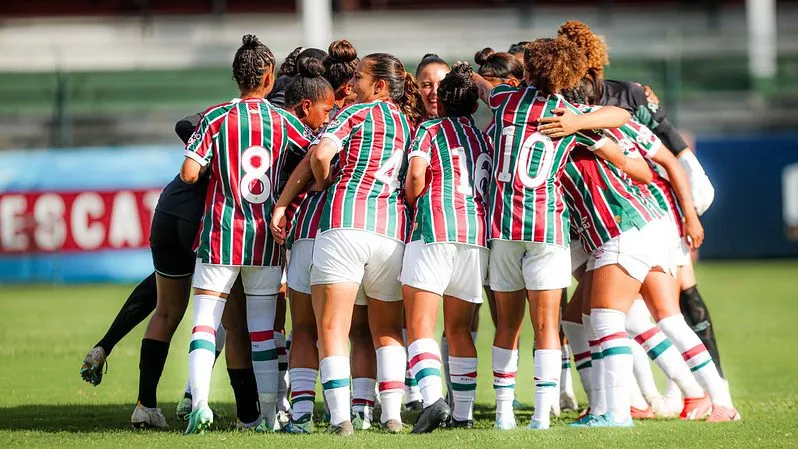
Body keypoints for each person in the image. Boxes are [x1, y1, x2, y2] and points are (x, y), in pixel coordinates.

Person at [471, 37, 636, 431]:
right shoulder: (568, 114)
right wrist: (579, 121)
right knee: (547, 327)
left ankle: (504, 414)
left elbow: (484, 89)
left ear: (527, 71)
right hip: (548, 229)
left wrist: (471, 72)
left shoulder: (506, 102)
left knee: (506, 328)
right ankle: (542, 416)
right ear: (569, 76)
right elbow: (621, 116)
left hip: (504, 228)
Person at [555, 21, 722, 378]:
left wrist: (689, 214)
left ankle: (705, 386)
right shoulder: (567, 103)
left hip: (657, 205)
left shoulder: (625, 96)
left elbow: (669, 154)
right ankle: (652, 394)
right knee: (622, 312)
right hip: (610, 215)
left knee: (674, 302)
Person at [279, 52, 422, 436]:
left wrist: (324, 182)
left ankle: (341, 419)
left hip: (344, 223)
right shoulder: (409, 124)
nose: (352, 84)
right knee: (387, 329)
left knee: (332, 327)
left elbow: (321, 154)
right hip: (391, 230)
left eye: (359, 77)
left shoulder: (354, 113)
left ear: (379, 86)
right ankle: (390, 414)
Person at [179, 34, 312, 434]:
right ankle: (270, 417)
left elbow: (189, 173)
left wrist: (212, 167)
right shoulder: (284, 120)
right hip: (265, 240)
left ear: (236, 76)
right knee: (261, 331)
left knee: (205, 322)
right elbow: (313, 157)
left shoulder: (216, 117)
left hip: (221, 235)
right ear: (269, 77)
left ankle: (199, 404)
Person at [401, 63, 492, 433]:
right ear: (473, 106)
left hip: (435, 226)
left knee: (420, 323)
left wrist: (412, 197)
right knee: (458, 330)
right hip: (476, 235)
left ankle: (433, 400)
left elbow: (417, 174)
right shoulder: (483, 137)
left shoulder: (430, 128)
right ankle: (464, 415)